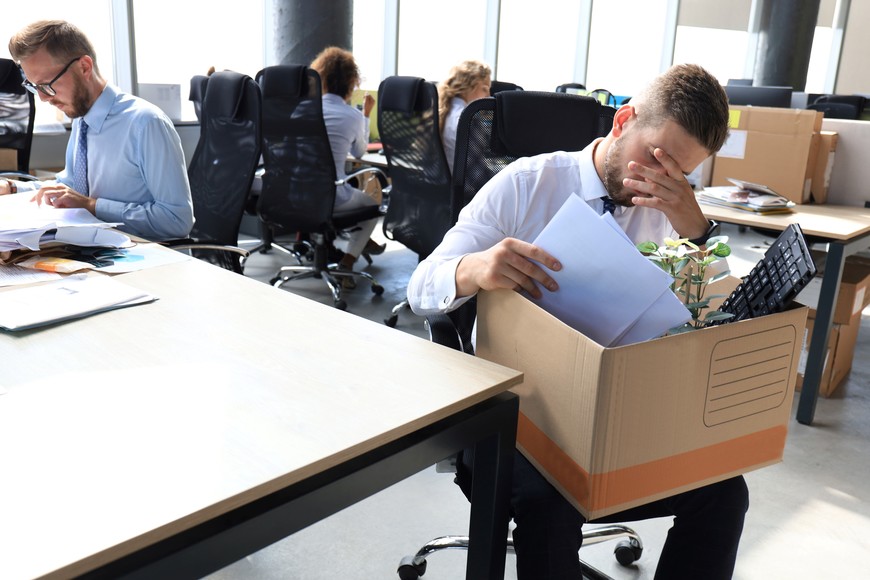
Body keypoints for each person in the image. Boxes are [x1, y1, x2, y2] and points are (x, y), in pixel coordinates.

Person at [407, 63, 747, 580]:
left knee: (725, 491)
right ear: (623, 121)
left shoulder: (673, 211)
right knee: (551, 501)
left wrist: (697, 229)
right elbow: (420, 287)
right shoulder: (526, 185)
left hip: (621, 404)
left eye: (682, 173)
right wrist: (476, 268)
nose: (661, 180)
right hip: (525, 410)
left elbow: (719, 314)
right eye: (656, 159)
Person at [2, 20, 193, 242]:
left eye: (47, 85)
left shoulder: (145, 123)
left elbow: (177, 220)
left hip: (144, 260)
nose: (44, 98)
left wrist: (92, 206)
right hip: (97, 252)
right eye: (34, 87)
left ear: (84, 67)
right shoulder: (82, 120)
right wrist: (12, 188)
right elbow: (69, 189)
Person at [310, 46, 384, 288]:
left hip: (297, 195)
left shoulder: (303, 111)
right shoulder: (350, 115)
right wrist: (365, 114)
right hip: (333, 197)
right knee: (373, 206)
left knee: (360, 202)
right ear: (352, 82)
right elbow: (359, 153)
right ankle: (348, 261)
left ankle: (363, 243)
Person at [437, 59, 491, 174]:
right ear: (468, 86)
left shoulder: (440, 113)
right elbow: (478, 175)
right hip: (464, 190)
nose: (488, 96)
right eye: (484, 89)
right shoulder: (468, 119)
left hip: (439, 189)